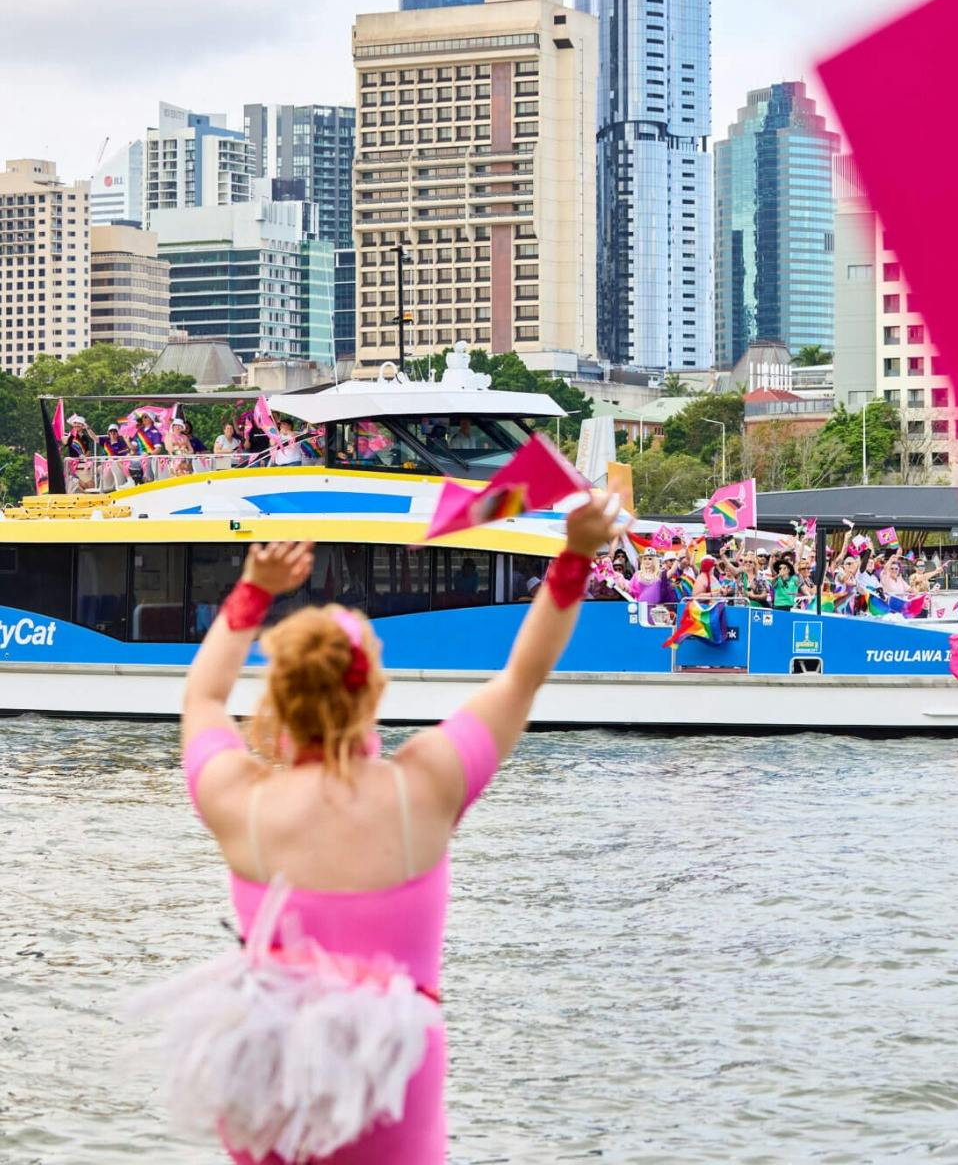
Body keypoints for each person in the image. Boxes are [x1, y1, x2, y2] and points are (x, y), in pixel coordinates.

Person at [165, 490, 624, 1164]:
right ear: (372, 691)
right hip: (394, 1072)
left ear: (280, 698)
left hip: (272, 1070)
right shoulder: (424, 787)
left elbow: (201, 696)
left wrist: (253, 591)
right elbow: (523, 678)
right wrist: (577, 552)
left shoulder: (244, 804)